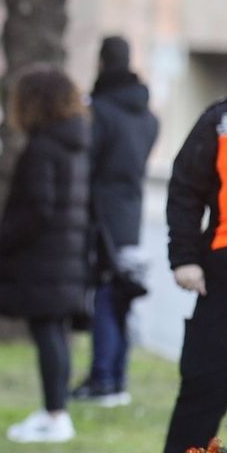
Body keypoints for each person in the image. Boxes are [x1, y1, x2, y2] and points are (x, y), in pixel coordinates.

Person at [109, 50, 227, 453]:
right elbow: (185, 190)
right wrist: (184, 258)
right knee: (199, 399)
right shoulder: (222, 120)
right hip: (225, 286)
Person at [0, 65, 91, 444]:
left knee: (47, 333)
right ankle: (55, 411)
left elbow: (37, 208)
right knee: (54, 333)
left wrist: (7, 239)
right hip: (65, 255)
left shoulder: (43, 147)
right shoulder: (75, 143)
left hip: (44, 258)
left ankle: (55, 414)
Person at [72, 36, 159, 406]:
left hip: (102, 217)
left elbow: (87, 164)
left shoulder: (101, 112)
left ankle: (103, 379)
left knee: (106, 296)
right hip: (132, 214)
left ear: (102, 62)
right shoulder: (148, 117)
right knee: (121, 296)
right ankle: (116, 377)